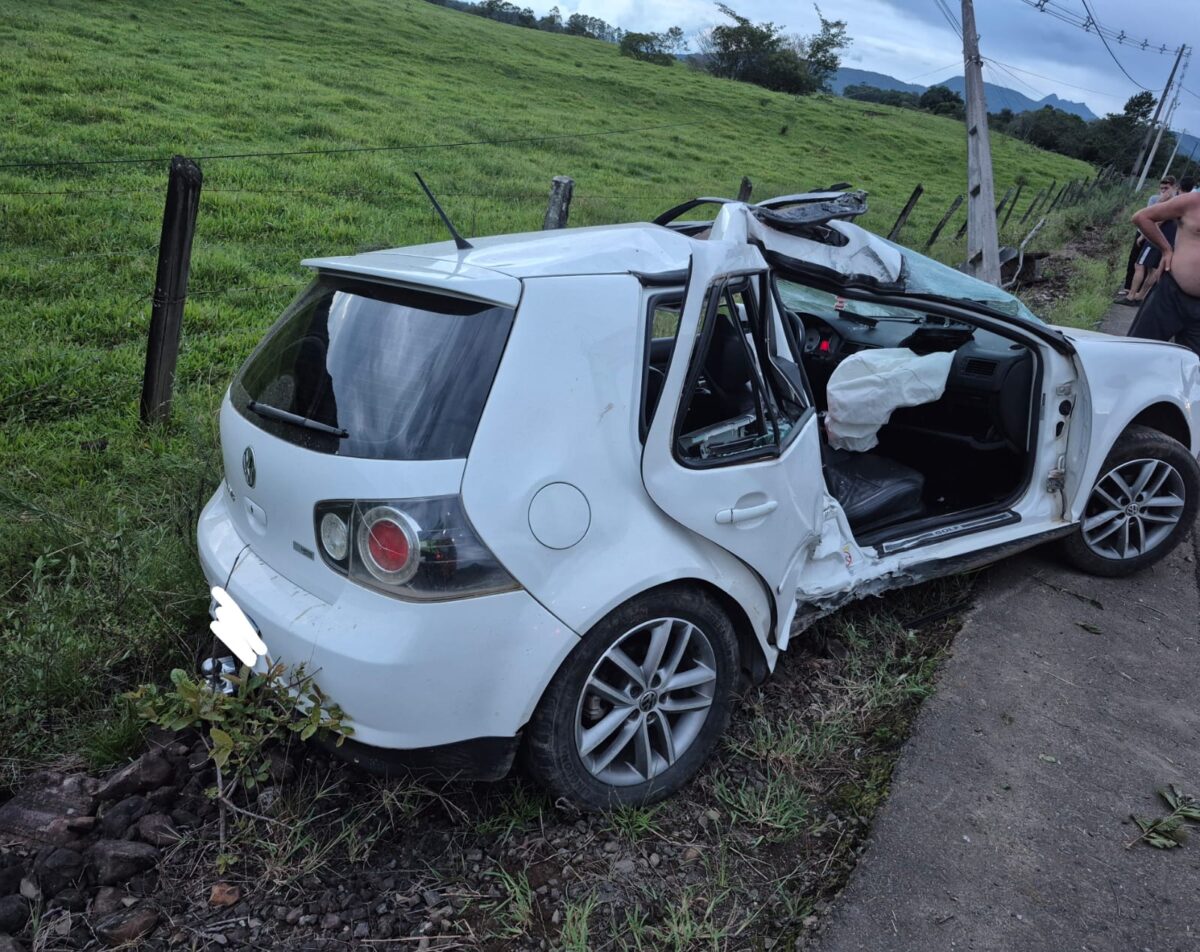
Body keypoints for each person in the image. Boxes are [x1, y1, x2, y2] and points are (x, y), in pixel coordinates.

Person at [1127, 185, 1200, 357]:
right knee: (1137, 351)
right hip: (1171, 293)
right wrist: (1166, 249)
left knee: (1194, 369)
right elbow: (1142, 217)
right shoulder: (1192, 201)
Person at [1123, 176, 1178, 304]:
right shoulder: (1176, 202)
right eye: (1162, 188)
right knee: (1152, 269)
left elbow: (1155, 221)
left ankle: (1131, 296)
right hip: (1165, 240)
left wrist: (1144, 236)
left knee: (1140, 265)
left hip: (1155, 239)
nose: (1164, 191)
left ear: (1174, 187)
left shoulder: (1169, 203)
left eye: (1167, 188)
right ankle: (1140, 296)